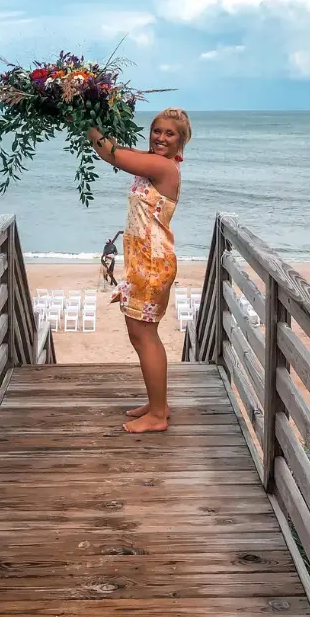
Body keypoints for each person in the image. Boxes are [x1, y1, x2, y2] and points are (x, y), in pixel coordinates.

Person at [87, 107, 192, 433]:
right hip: (144, 261)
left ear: (181, 141)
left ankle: (158, 415)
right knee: (142, 334)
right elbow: (115, 149)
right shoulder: (153, 162)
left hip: (152, 263)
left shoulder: (163, 167)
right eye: (156, 130)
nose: (161, 137)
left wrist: (80, 114)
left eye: (169, 133)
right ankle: (156, 403)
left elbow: (113, 155)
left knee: (144, 336)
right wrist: (95, 115)